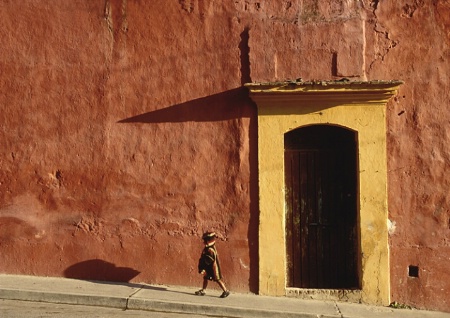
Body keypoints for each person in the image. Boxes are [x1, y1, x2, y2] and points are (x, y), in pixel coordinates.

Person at [195, 231, 230, 298]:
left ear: (208, 240)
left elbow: (209, 260)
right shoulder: (208, 248)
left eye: (205, 240)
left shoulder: (210, 249)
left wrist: (203, 267)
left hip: (213, 268)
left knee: (217, 279)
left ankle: (225, 290)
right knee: (205, 278)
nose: (204, 241)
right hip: (208, 267)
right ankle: (203, 290)